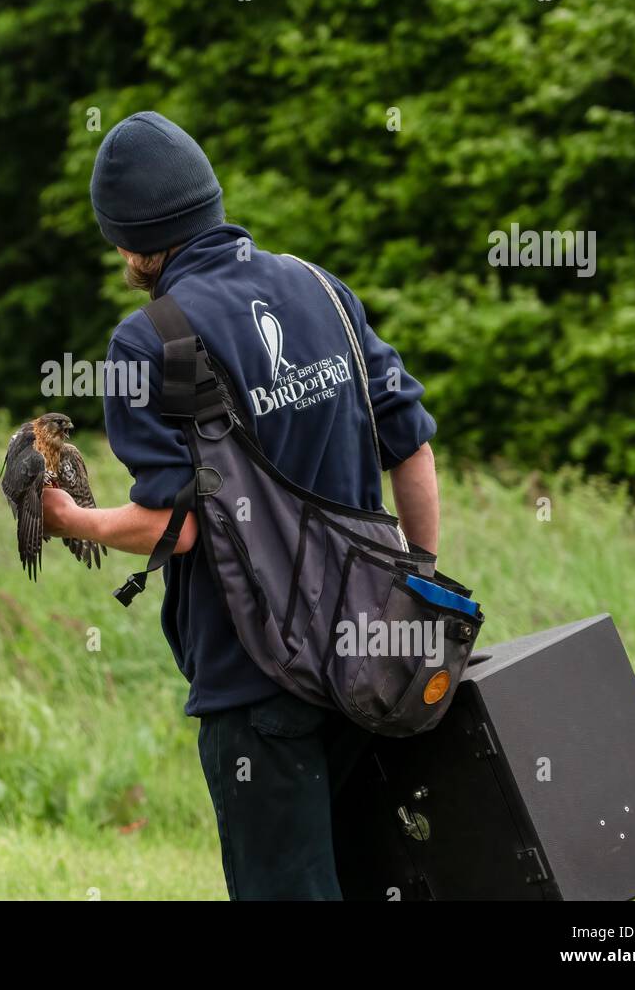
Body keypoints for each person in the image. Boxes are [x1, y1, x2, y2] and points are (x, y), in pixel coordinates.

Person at [42, 111, 440, 900]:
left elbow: (177, 523)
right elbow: (413, 446)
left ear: (129, 243)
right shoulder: (320, 286)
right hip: (374, 651)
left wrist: (70, 520)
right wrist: (419, 586)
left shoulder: (155, 339)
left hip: (257, 677)